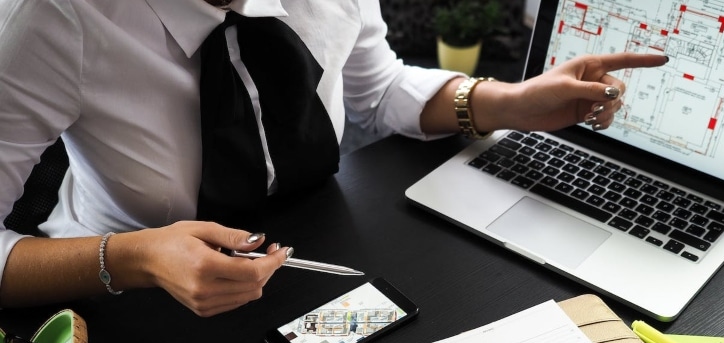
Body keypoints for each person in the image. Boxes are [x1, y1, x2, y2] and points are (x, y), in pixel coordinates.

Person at [0, 0, 667, 317]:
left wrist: (504, 101)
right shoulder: (49, 20)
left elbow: (373, 88)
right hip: (129, 297)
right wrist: (134, 258)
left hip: (319, 240)